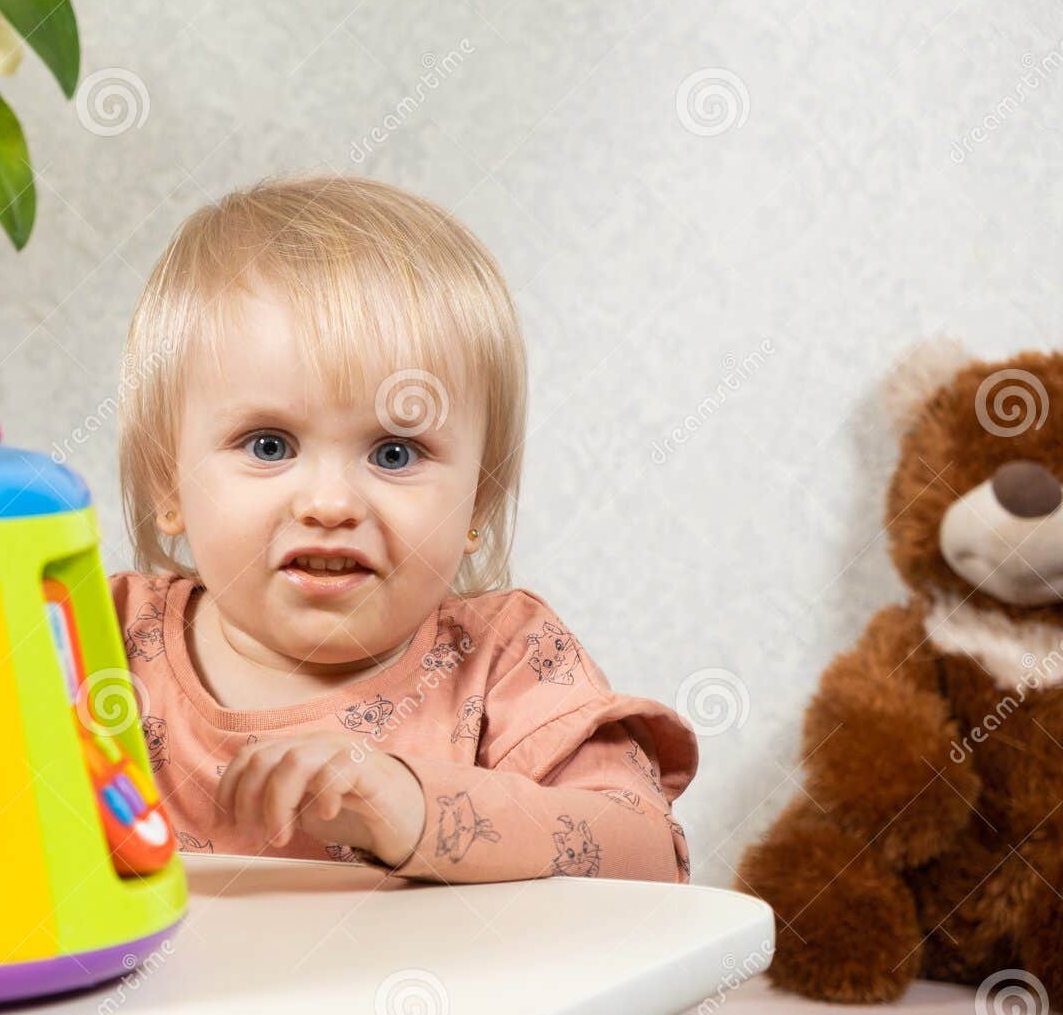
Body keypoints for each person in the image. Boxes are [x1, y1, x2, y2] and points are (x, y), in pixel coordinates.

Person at [110, 174, 696, 883]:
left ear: (478, 502)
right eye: (270, 445)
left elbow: (647, 855)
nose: (330, 502)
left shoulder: (502, 659)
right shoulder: (100, 640)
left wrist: (416, 808)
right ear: (167, 482)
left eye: (395, 453)